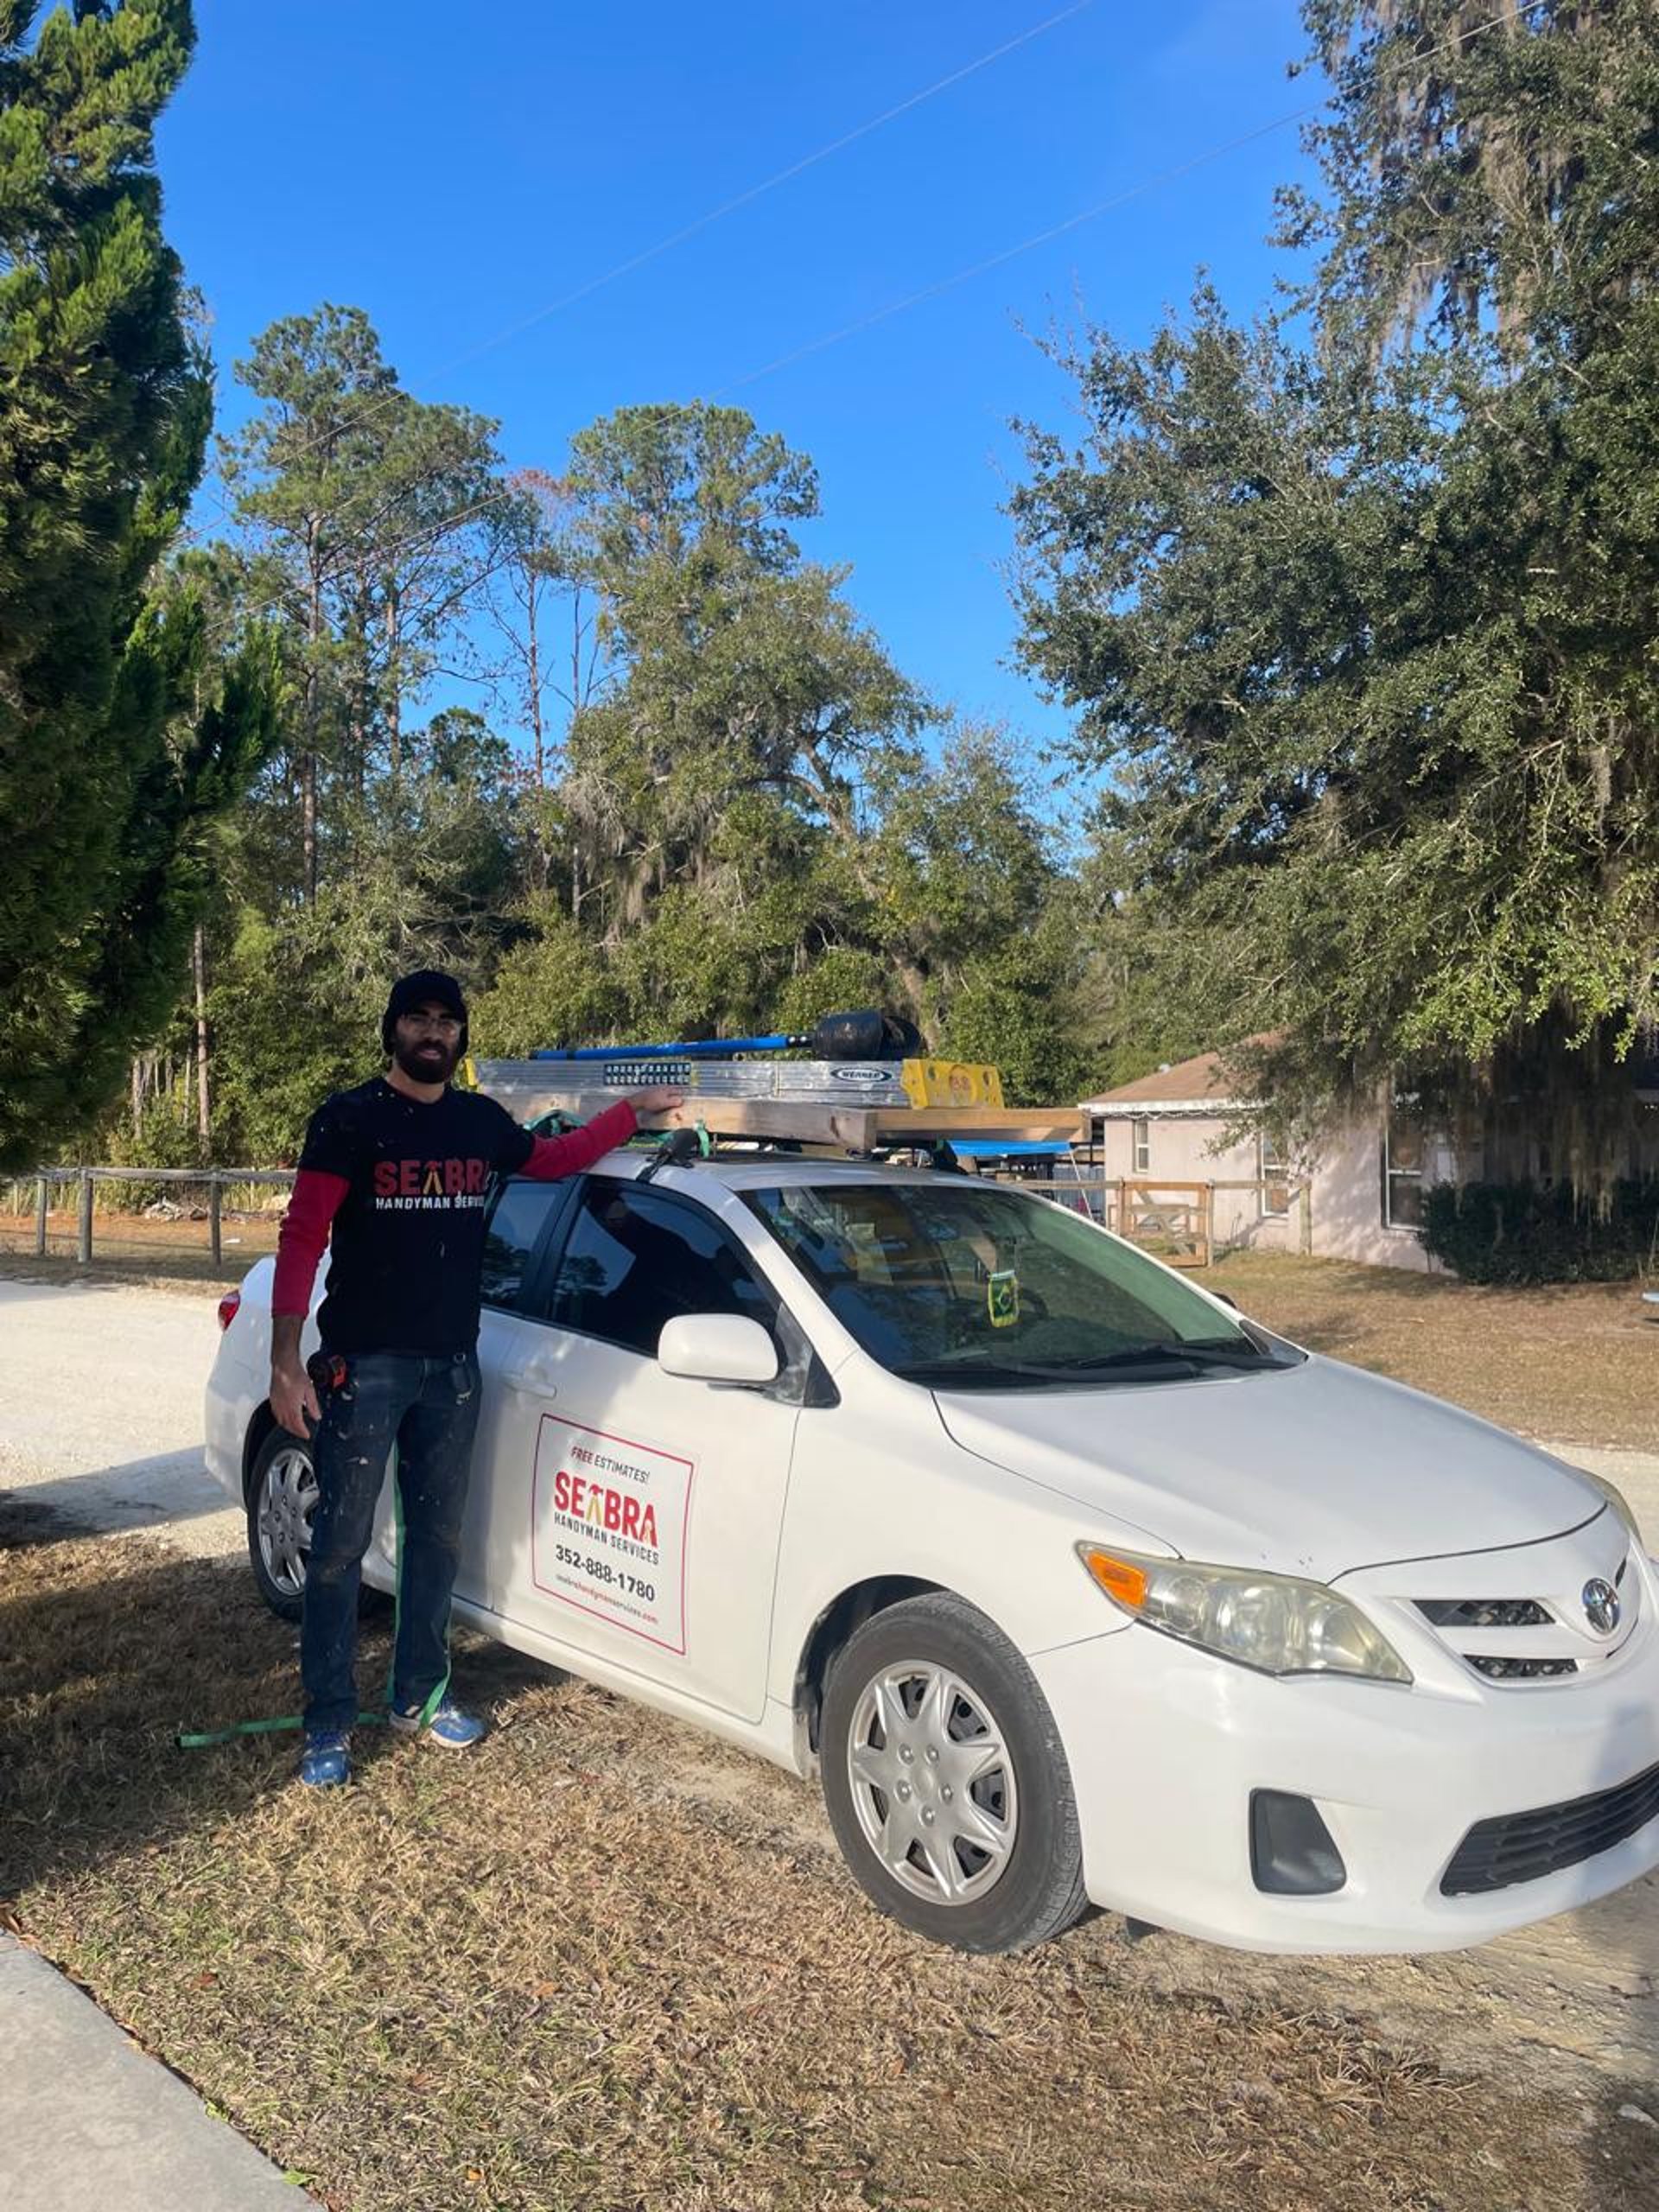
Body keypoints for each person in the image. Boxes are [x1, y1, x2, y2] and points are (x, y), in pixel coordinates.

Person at [268, 969, 682, 1789]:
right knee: (339, 1548)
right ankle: (328, 1723)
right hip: (364, 1367)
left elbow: (556, 1159)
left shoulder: (477, 1122)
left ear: (461, 1036)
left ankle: (418, 1696)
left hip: (453, 1367)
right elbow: (302, 1236)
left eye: (446, 1022)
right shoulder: (348, 1120)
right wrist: (285, 1361)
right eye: (417, 1019)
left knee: (438, 1540)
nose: (433, 1033)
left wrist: (629, 1115)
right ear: (393, 1030)